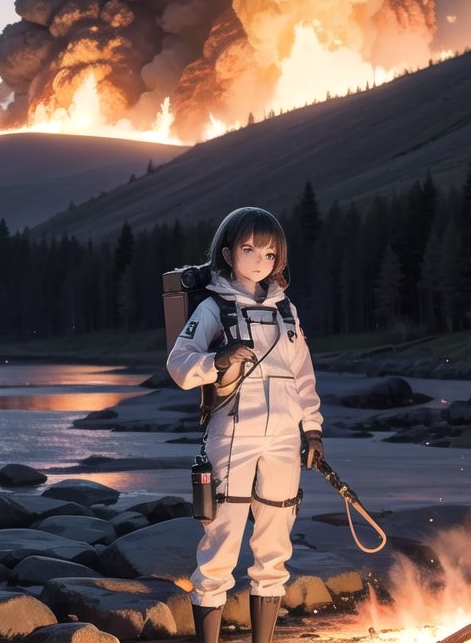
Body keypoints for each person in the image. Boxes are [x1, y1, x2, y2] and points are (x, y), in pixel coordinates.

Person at [166, 206, 324, 643]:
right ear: (227, 251)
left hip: (282, 442)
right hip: (232, 435)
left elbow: (303, 377)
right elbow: (178, 366)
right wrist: (216, 360)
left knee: (274, 552)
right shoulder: (214, 309)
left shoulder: (286, 312)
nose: (259, 260)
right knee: (219, 549)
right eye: (249, 249)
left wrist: (311, 431)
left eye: (269, 253)